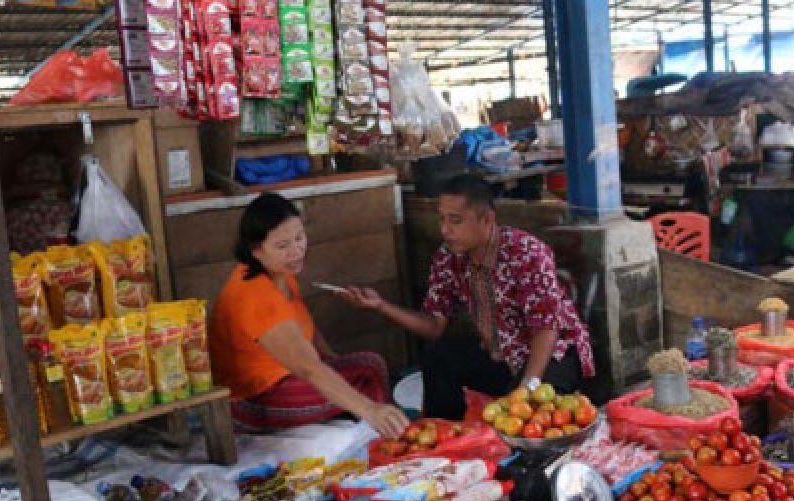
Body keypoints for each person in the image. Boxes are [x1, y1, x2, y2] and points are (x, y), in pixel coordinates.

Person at [341, 175, 594, 420]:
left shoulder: (526, 252)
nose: (445, 230)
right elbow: (435, 327)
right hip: (500, 355)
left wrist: (527, 389)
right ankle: (446, 432)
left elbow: (546, 330)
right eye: (441, 220)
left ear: (487, 220)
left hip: (553, 354)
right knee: (438, 354)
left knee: (523, 426)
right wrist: (381, 306)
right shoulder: (448, 258)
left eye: (456, 221)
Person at [209, 193, 409, 437]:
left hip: (285, 380)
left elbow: (307, 328)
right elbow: (309, 368)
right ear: (256, 251)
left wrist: (334, 363)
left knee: (369, 366)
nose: (296, 251)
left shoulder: (280, 273)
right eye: (282, 246)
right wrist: (369, 409)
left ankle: (383, 432)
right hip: (253, 402)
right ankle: (385, 436)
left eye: (299, 237)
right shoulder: (256, 295)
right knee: (363, 389)